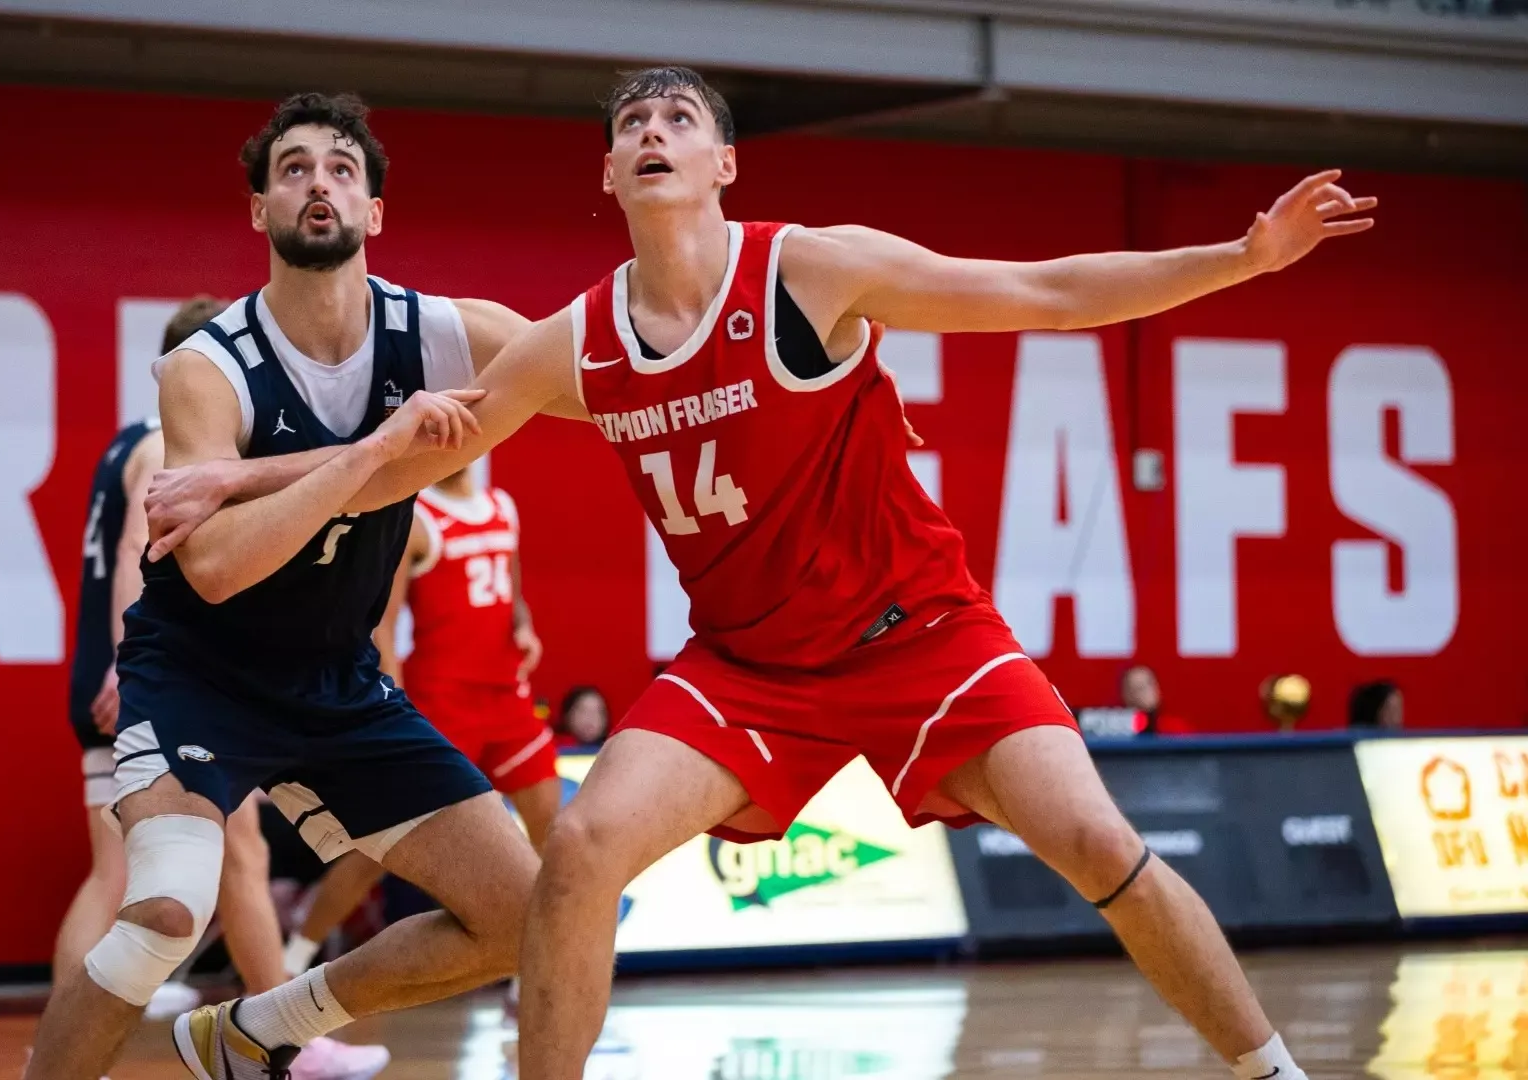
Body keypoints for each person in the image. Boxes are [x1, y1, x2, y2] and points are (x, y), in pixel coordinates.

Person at [148, 66, 1376, 1080]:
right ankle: (309, 1031)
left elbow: (1042, 293)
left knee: (1101, 845)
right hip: (747, 669)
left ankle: (1273, 1069)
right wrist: (238, 480)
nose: (653, 132)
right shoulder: (579, 342)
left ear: (724, 162)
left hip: (921, 635)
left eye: (679, 118)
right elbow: (407, 454)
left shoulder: (810, 273)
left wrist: (1244, 255)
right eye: (633, 123)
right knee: (580, 854)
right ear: (610, 174)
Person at [24, 92, 545, 1080]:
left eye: (342, 169)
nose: (319, 184)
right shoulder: (205, 367)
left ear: (374, 210)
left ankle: (260, 1026)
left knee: (526, 913)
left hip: (336, 679)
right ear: (259, 208)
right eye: (294, 168)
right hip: (202, 674)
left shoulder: (440, 332)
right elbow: (219, 568)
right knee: (164, 913)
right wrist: (378, 449)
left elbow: (588, 369)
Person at [53, 297, 388, 1079]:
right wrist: (127, 663)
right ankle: (273, 1044)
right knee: (158, 869)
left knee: (200, 859)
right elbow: (138, 550)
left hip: (123, 675)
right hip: (141, 680)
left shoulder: (123, 442)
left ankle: (268, 1038)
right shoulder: (161, 448)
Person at [280, 468, 555, 978]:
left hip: (508, 699)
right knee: (382, 849)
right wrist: (396, 705)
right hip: (443, 703)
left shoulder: (504, 506)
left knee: (552, 832)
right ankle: (291, 958)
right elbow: (384, 626)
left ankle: (539, 970)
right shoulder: (417, 517)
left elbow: (515, 602)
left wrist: (525, 630)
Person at [554, 686, 611, 750]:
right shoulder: (551, 747)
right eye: (582, 710)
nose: (591, 717)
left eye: (598, 711)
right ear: (567, 716)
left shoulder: (613, 749)